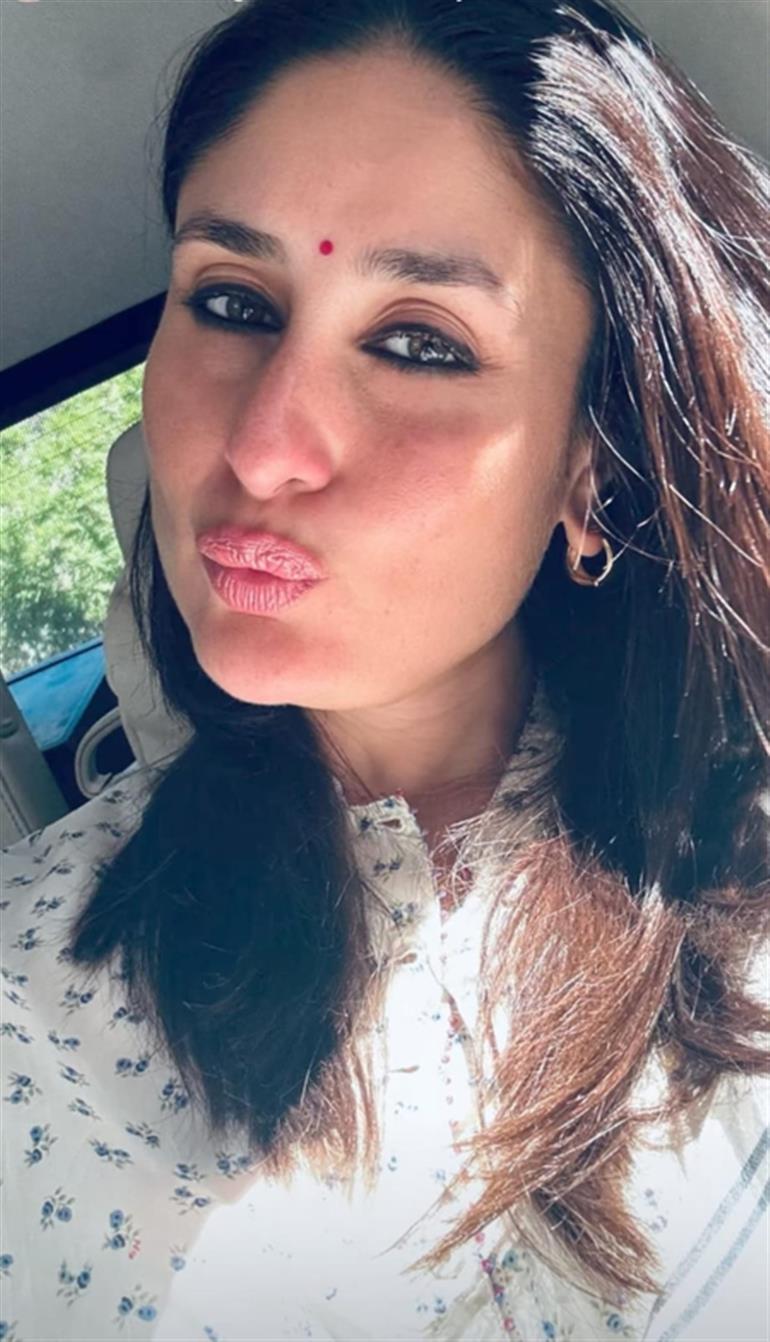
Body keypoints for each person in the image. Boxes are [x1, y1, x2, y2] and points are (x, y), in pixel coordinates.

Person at [2, 0, 768, 1337]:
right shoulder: (28, 970)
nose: (264, 448)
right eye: (232, 302)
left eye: (419, 341)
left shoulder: (741, 872)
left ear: (588, 471)